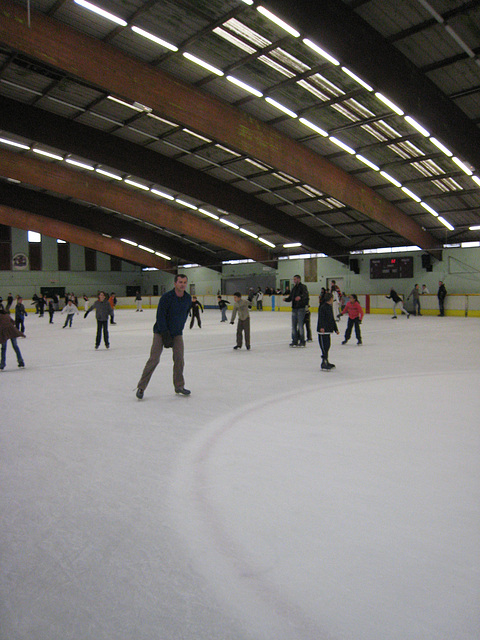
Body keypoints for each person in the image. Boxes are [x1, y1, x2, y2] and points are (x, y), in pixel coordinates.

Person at [136, 274, 192, 399]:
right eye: (180, 282)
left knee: (179, 359)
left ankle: (179, 386)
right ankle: (141, 387)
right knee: (154, 359)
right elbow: (160, 316)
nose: (182, 284)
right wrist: (165, 333)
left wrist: (178, 329)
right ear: (175, 283)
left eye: (184, 282)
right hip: (161, 332)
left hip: (177, 332)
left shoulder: (187, 298)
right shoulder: (167, 297)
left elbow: (185, 314)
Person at [283, 274, 309, 347]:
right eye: (293, 279)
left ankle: (302, 341)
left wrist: (300, 297)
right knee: (294, 326)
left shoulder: (303, 287)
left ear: (299, 279)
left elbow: (306, 295)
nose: (294, 281)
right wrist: (286, 299)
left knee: (300, 325)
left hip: (301, 308)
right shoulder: (294, 288)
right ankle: (294, 341)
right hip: (294, 308)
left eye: (295, 279)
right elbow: (291, 297)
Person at [317, 292, 339, 370]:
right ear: (330, 299)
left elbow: (332, 319)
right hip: (323, 331)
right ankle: (324, 362)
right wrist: (322, 327)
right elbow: (321, 318)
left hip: (328, 330)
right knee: (324, 347)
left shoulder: (329, 307)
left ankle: (326, 360)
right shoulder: (322, 307)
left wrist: (335, 329)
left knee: (327, 346)